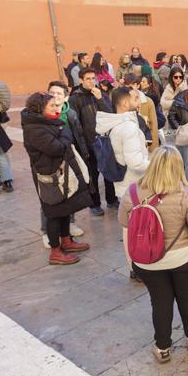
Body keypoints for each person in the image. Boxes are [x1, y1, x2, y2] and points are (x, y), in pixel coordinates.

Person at [118, 146, 188, 362]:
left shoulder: (132, 193)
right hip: (184, 258)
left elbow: (124, 222)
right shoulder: (187, 194)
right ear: (178, 168)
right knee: (187, 296)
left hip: (148, 262)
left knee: (160, 301)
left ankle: (163, 347)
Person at [21, 92, 92, 265]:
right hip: (50, 177)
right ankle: (55, 251)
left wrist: (62, 132)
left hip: (60, 174)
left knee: (65, 208)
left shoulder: (49, 123)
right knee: (53, 213)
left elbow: (62, 138)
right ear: (40, 109)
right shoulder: (34, 129)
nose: (56, 108)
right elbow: (57, 148)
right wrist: (65, 133)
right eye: (51, 106)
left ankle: (66, 240)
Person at [69, 68, 118, 214]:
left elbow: (110, 115)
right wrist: (83, 148)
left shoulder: (101, 95)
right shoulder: (75, 99)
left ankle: (111, 199)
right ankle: (94, 204)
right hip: (89, 144)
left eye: (93, 78)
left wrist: (100, 99)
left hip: (104, 141)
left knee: (109, 172)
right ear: (81, 80)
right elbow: (76, 126)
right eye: (88, 79)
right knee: (92, 176)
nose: (91, 81)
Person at [95, 86, 151, 200]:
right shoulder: (128, 127)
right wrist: (156, 165)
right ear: (125, 103)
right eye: (136, 99)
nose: (139, 102)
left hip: (125, 186)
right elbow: (136, 163)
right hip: (134, 187)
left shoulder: (116, 123)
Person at [124, 74, 159, 152]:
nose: (130, 87)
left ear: (138, 85)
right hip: (129, 146)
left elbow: (153, 126)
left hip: (146, 146)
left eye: (133, 84)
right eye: (127, 85)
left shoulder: (148, 102)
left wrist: (153, 149)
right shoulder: (123, 102)